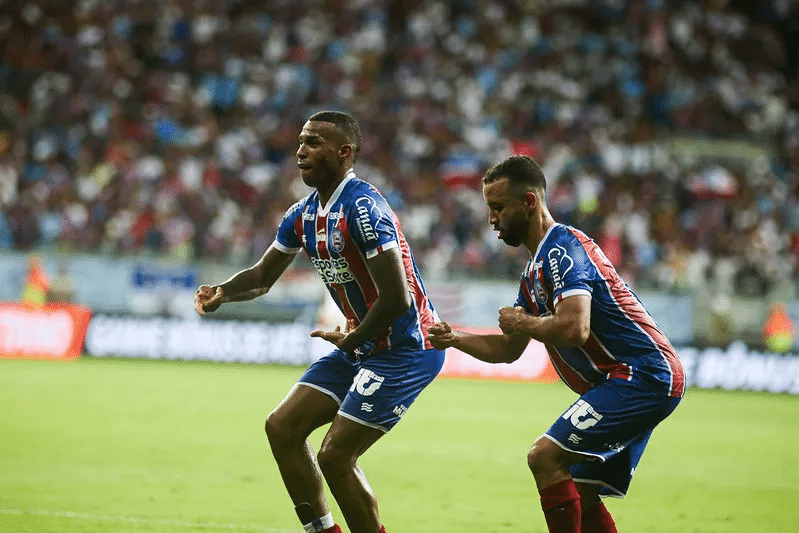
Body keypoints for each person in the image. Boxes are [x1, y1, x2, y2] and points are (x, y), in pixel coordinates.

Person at [194, 111, 444, 533]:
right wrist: (224, 291)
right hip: (361, 343)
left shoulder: (364, 209)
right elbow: (261, 277)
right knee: (282, 427)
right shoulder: (303, 214)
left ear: (344, 152)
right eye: (300, 142)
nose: (300, 152)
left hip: (405, 350)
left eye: (313, 143)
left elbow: (398, 299)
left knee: (335, 456)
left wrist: (354, 339)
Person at [427, 155, 685, 533]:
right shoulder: (534, 270)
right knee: (582, 488)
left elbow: (575, 328)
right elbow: (508, 350)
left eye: (498, 207)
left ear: (529, 202)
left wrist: (525, 321)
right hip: (630, 378)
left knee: (544, 457)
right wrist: (454, 339)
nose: (492, 219)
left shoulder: (563, 249)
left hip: (643, 375)